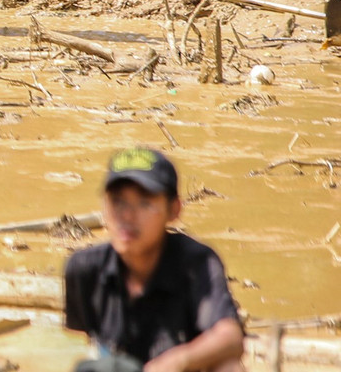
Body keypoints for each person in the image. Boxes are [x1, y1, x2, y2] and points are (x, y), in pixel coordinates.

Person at [64, 148, 245, 372]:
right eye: (118, 202)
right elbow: (74, 346)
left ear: (174, 210)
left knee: (229, 367)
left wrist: (176, 362)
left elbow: (230, 337)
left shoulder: (196, 263)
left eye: (144, 203)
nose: (127, 216)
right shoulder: (84, 268)